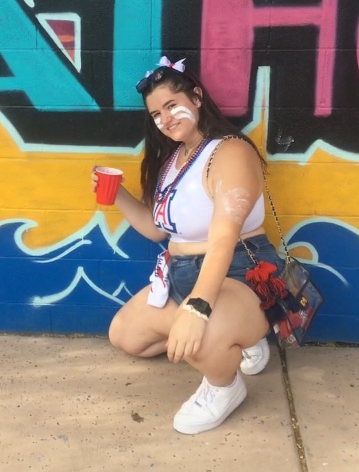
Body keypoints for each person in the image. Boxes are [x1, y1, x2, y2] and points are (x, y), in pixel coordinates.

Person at [92, 56, 284, 435]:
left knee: (201, 335)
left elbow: (223, 238)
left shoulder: (229, 151)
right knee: (125, 336)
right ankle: (233, 339)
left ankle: (223, 384)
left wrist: (197, 308)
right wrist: (116, 195)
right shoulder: (173, 160)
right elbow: (157, 231)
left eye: (171, 105)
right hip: (180, 275)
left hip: (239, 274)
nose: (165, 119)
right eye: (156, 114)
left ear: (196, 97)